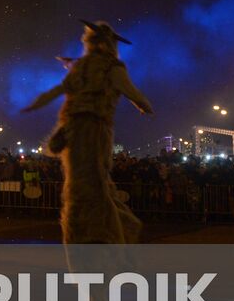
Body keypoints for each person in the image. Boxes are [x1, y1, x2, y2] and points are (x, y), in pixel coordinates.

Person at [23, 20, 152, 245]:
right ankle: (90, 234)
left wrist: (141, 103)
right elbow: (126, 89)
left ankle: (103, 234)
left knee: (90, 184)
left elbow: (60, 90)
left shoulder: (101, 67)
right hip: (81, 129)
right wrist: (142, 103)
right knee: (85, 185)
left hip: (87, 130)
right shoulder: (93, 66)